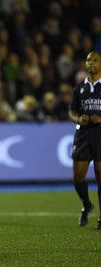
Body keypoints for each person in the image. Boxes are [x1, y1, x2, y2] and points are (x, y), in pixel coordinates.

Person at [69, 51, 101, 230]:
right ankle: (87, 204)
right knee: (78, 177)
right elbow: (72, 112)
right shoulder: (80, 88)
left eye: (95, 60)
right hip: (83, 135)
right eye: (89, 60)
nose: (91, 63)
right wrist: (78, 119)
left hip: (100, 135)